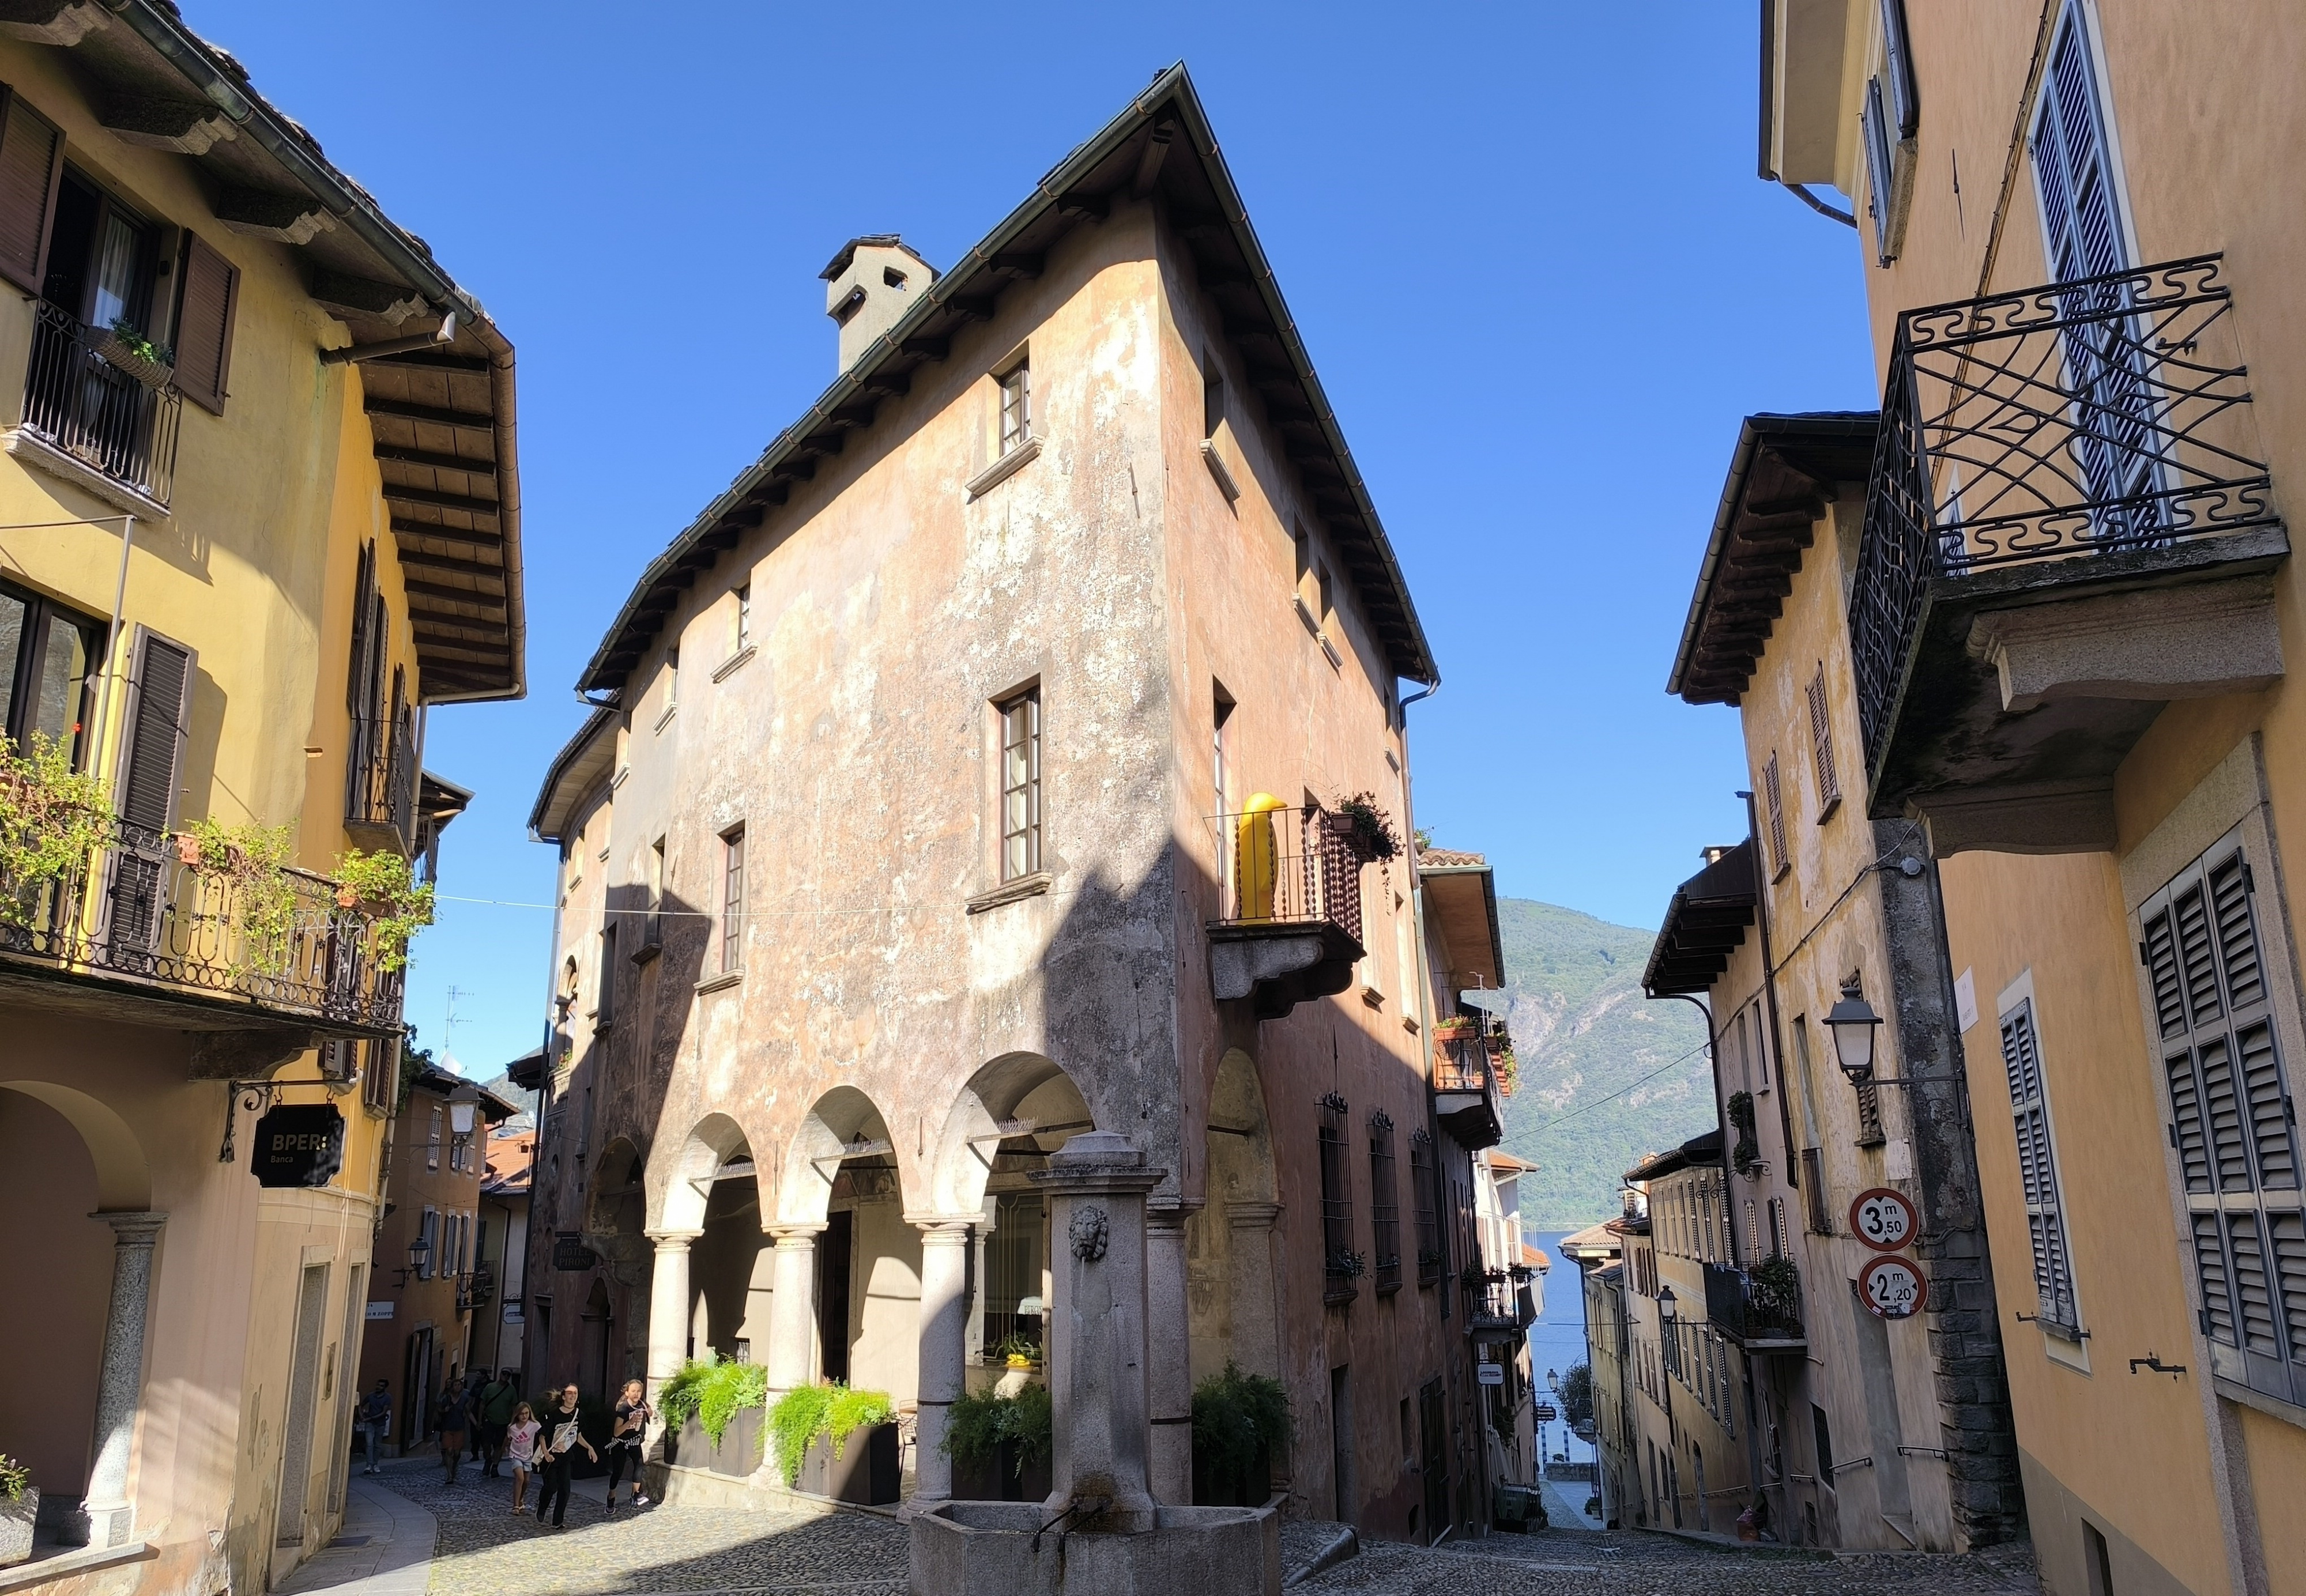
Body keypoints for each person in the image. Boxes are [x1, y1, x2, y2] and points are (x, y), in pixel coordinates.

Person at [534, 1383, 596, 1530]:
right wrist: (547, 1454)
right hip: (551, 1458)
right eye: (569, 1393)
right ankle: (542, 1506)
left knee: (565, 1490)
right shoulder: (554, 1415)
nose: (573, 1396)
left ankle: (558, 1521)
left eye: (575, 1393)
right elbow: (542, 1437)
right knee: (550, 1487)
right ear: (563, 1396)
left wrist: (590, 1447)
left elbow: (577, 1436)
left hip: (566, 1457)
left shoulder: (579, 1415)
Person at [604, 1379, 653, 1511]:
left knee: (639, 1464)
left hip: (634, 1441)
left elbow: (650, 1412)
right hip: (620, 1442)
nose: (636, 1394)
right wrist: (629, 1423)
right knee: (618, 1471)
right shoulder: (623, 1409)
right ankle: (611, 1497)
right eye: (633, 1391)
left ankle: (636, 1495)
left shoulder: (642, 1404)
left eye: (639, 1391)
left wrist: (649, 1411)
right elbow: (616, 1432)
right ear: (627, 1393)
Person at [477, 1371, 519, 1478]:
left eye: (508, 1375)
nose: (506, 1376)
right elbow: (482, 1404)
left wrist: (513, 1423)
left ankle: (495, 1466)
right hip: (489, 1420)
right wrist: (479, 1420)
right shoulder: (490, 1387)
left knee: (499, 1446)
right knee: (486, 1444)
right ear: (500, 1374)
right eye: (504, 1373)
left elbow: (514, 1407)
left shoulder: (511, 1390)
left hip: (504, 1422)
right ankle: (488, 1459)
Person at [505, 1402, 542, 1516]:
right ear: (517, 1415)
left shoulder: (534, 1425)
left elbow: (543, 1434)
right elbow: (507, 1439)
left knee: (526, 1481)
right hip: (515, 1455)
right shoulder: (512, 1428)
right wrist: (505, 1449)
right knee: (520, 1478)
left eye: (526, 1413)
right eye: (522, 1414)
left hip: (528, 1456)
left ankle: (521, 1498)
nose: (524, 1416)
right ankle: (516, 1505)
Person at [433, 1374, 470, 1485]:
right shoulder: (446, 1398)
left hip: (459, 1428)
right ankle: (449, 1476)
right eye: (455, 1385)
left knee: (457, 1453)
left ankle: (454, 1466)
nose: (457, 1387)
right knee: (449, 1451)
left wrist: (477, 1424)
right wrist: (444, 1411)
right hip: (447, 1428)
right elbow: (439, 1409)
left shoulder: (464, 1399)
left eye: (459, 1385)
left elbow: (468, 1412)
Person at [356, 1380, 393, 1475]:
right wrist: (361, 1416)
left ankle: (375, 1464)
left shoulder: (387, 1398)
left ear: (385, 1388)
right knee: (369, 1444)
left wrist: (370, 1418)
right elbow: (361, 1405)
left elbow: (384, 1412)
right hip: (370, 1423)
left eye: (381, 1386)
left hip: (380, 1423)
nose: (379, 1387)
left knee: (377, 1445)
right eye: (378, 1385)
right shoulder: (371, 1396)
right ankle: (369, 1465)